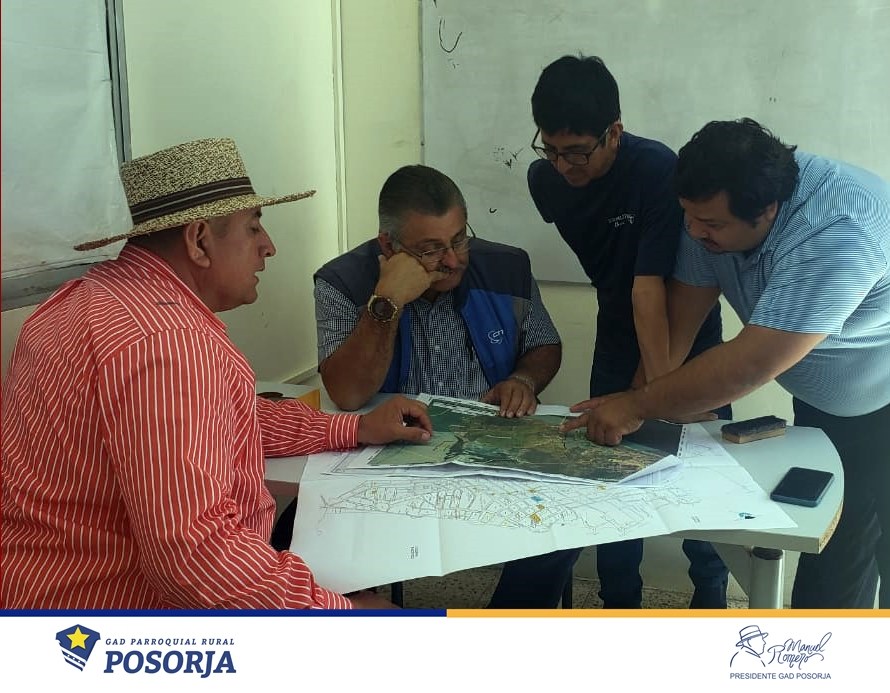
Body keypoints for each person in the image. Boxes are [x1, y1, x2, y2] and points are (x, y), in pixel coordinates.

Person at [0, 138, 435, 610]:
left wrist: (352, 428)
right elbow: (197, 557)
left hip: (38, 589)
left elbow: (223, 417)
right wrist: (343, 616)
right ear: (199, 240)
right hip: (109, 621)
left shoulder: (85, 300)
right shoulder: (170, 343)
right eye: (253, 228)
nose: (269, 247)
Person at [565, 118, 890, 609]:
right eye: (689, 217)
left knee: (868, 550)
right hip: (831, 396)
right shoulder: (713, 208)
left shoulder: (837, 233)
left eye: (712, 225)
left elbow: (750, 363)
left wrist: (636, 406)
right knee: (833, 550)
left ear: (768, 210)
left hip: (881, 398)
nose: (695, 232)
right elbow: (680, 322)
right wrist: (638, 402)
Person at [289, 163, 567, 608]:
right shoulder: (341, 282)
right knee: (301, 531)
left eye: (459, 239)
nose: (453, 260)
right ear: (388, 245)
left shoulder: (507, 267)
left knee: (560, 530)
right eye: (431, 249)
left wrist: (523, 379)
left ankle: (502, 637)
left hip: (489, 448)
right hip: (388, 453)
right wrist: (387, 300)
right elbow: (349, 394)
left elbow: (544, 345)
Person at [523, 54, 731, 608]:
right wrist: (639, 395)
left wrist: (659, 394)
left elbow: (649, 288)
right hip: (617, 329)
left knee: (701, 466)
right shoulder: (544, 182)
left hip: (683, 325)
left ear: (614, 131)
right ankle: (619, 603)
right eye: (551, 149)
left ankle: (712, 591)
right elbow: (617, 282)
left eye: (578, 151)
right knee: (610, 467)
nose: (564, 166)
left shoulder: (656, 168)